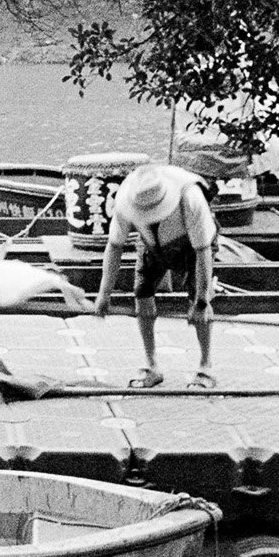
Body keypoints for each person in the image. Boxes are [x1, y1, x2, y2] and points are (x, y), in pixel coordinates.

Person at [92, 162, 217, 388]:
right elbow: (114, 247)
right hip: (150, 244)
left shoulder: (190, 197)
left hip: (193, 246)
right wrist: (104, 295)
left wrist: (201, 302)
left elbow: (203, 251)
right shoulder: (127, 198)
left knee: (200, 304)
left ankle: (205, 366)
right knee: (142, 294)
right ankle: (151, 365)